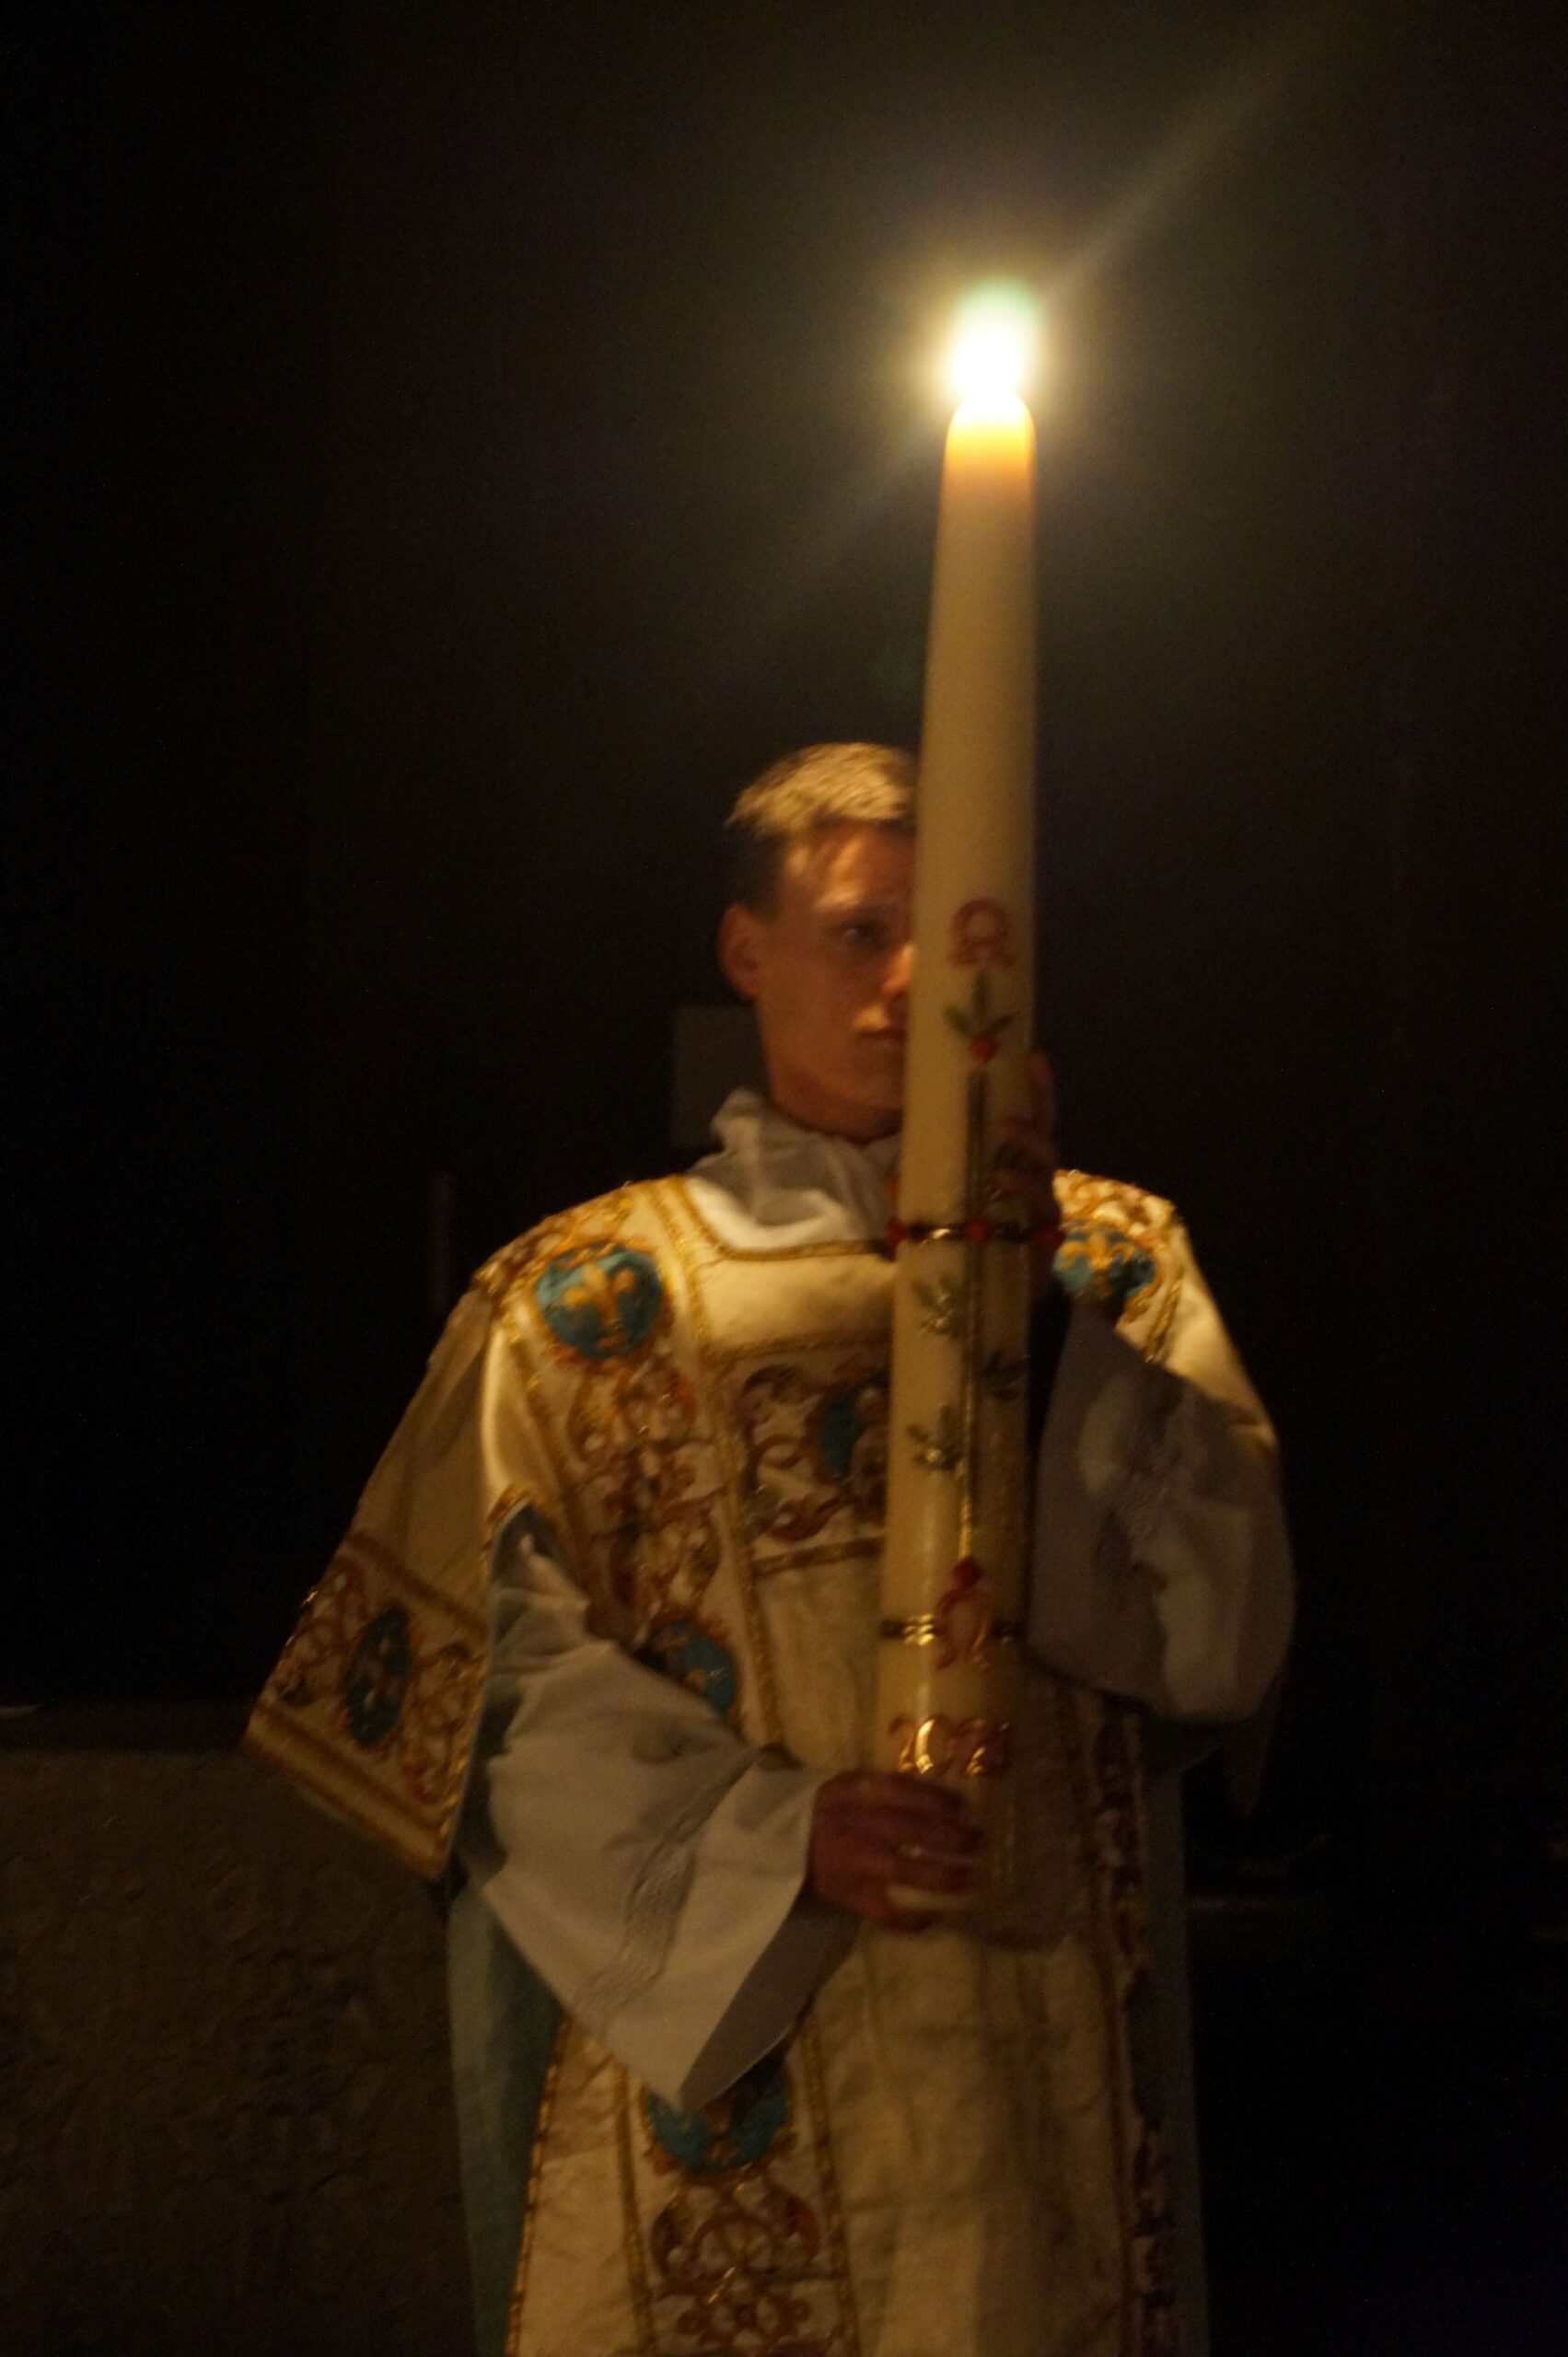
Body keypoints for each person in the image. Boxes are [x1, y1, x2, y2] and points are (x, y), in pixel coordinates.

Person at [247, 740, 1294, 2357]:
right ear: (749, 952)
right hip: (740, 2051)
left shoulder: (1120, 1264)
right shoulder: (588, 1305)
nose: (909, 981)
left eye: (955, 933)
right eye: (862, 931)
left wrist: (1035, 1315)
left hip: (1033, 2064)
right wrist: (769, 1837)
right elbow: (486, 1700)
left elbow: (1223, 1636)